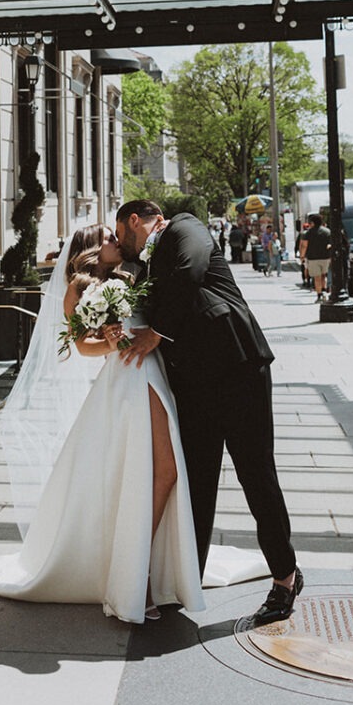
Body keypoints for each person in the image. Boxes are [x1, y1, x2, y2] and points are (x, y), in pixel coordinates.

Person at [0, 224, 204, 624]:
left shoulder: (132, 273)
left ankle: (142, 567)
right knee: (156, 473)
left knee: (160, 473)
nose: (118, 241)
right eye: (110, 239)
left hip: (150, 372)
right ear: (94, 248)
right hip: (128, 377)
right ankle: (137, 574)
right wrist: (111, 342)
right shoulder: (78, 289)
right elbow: (81, 346)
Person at [116, 199, 302, 629]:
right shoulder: (146, 266)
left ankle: (286, 579)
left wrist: (156, 333)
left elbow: (191, 272)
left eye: (121, 232)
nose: (122, 241)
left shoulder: (185, 228)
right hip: (193, 384)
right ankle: (188, 579)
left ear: (135, 221)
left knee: (256, 475)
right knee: (197, 483)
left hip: (239, 369)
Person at [304, 212, 332, 298]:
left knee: (317, 277)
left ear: (313, 223)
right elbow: (331, 244)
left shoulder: (308, 233)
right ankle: (324, 289)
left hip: (313, 258)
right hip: (325, 257)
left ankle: (319, 294)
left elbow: (305, 245)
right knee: (324, 275)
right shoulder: (327, 231)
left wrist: (302, 256)